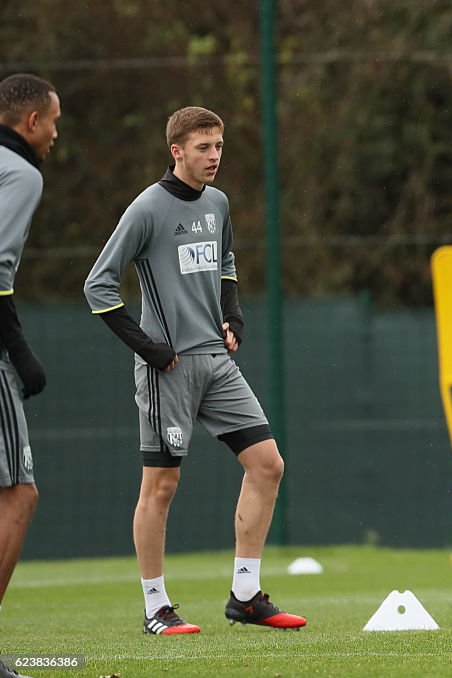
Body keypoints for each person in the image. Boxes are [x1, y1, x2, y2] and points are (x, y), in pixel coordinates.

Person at [84, 106, 306, 635]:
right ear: (176, 150)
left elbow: (225, 263)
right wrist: (150, 349)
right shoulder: (146, 209)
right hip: (170, 369)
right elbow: (98, 286)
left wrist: (233, 314)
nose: (214, 157)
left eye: (219, 147)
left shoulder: (218, 203)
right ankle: (156, 608)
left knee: (268, 464)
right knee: (161, 485)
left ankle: (246, 596)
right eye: (203, 148)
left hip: (216, 362)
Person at [0, 73, 60, 678]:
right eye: (54, 121)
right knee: (17, 493)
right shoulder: (20, 173)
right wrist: (18, 349)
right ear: (31, 122)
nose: (57, 134)